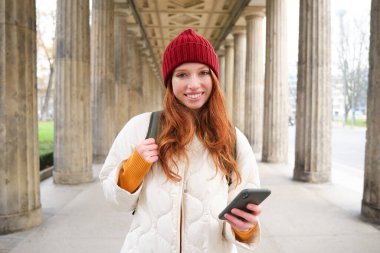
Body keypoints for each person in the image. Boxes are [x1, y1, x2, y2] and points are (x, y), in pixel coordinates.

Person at [99, 28, 262, 253]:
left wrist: (244, 228)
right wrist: (133, 170)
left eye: (203, 72)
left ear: (214, 78)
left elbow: (240, 212)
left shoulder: (233, 138)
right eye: (182, 74)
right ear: (169, 81)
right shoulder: (141, 127)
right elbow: (115, 201)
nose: (193, 84)